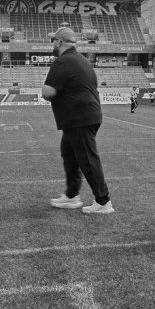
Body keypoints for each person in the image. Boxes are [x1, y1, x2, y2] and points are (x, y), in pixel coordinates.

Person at [42, 26, 113, 214]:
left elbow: (47, 92)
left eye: (53, 41)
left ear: (59, 42)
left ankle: (103, 201)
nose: (53, 44)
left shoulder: (63, 61)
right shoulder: (82, 60)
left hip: (80, 118)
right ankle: (72, 196)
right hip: (83, 117)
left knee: (87, 159)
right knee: (69, 155)